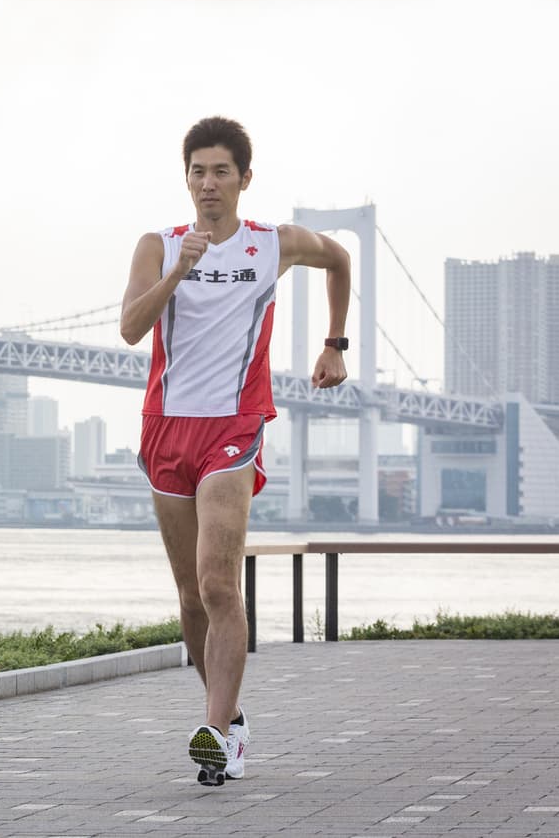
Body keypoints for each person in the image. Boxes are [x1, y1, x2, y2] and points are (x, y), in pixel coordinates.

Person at [119, 116, 351, 786]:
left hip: (234, 426)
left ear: (245, 179)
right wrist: (178, 272)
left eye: (221, 171)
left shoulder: (273, 243)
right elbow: (131, 327)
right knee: (191, 597)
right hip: (166, 427)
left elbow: (339, 257)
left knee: (220, 583)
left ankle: (217, 736)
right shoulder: (159, 246)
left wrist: (334, 344)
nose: (209, 183)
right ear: (186, 178)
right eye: (198, 171)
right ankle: (231, 717)